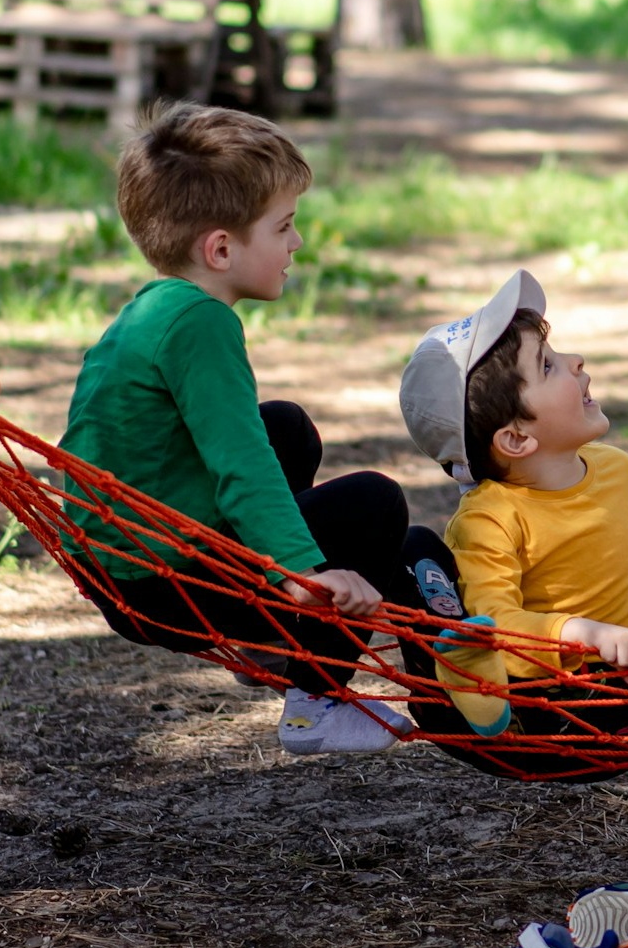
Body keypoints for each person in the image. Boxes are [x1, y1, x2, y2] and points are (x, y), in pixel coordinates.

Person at [60, 100, 424, 758]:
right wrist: (305, 575)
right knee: (375, 503)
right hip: (167, 586)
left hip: (123, 565)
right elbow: (240, 464)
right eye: (283, 226)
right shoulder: (203, 325)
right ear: (221, 248)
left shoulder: (158, 307)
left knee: (287, 426)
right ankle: (317, 699)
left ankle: (269, 638)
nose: (297, 243)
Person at [398, 268, 628, 783]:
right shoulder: (490, 518)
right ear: (517, 439)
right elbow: (497, 625)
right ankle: (467, 682)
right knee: (416, 549)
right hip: (546, 713)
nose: (574, 361)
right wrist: (585, 635)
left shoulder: (612, 468)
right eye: (547, 366)